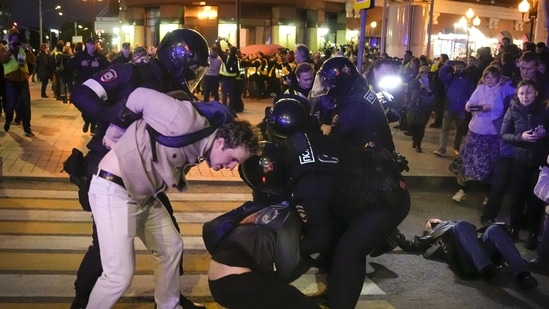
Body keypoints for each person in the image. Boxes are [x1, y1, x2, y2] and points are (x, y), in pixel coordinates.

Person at [68, 28, 211, 309]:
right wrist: (113, 115)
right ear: (176, 57)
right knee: (105, 251)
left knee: (170, 243)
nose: (194, 76)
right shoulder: (131, 73)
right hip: (108, 166)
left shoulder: (177, 88)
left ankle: (170, 299)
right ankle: (83, 300)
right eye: (192, 68)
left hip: (145, 173)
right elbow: (82, 93)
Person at [85, 87, 261, 308]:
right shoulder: (184, 121)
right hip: (113, 190)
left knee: (171, 246)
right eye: (233, 159)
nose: (231, 167)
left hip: (142, 196)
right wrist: (113, 135)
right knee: (119, 275)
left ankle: (169, 306)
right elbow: (139, 95)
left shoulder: (202, 142)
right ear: (220, 142)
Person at [240, 132, 411, 309]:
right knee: (335, 241)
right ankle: (334, 294)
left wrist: (286, 252)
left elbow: (319, 239)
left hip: (387, 200)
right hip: (374, 176)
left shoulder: (307, 189)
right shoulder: (296, 142)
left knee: (348, 253)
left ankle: (340, 305)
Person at [204, 200, 323, 309]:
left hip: (221, 279)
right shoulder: (289, 222)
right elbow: (286, 272)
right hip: (234, 282)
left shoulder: (269, 213)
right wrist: (309, 259)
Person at [391, 219, 538, 290]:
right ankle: (486, 268)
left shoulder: (457, 227)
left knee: (493, 229)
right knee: (461, 225)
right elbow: (413, 245)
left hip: (479, 251)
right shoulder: (439, 233)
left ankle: (522, 274)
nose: (433, 220)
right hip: (468, 262)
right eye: (430, 223)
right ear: (428, 229)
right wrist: (393, 231)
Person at [500, 79, 549, 250]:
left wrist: (544, 133)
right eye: (521, 93)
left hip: (540, 160)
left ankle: (533, 233)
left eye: (528, 92)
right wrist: (521, 137)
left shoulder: (544, 110)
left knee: (535, 198)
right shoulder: (513, 110)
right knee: (517, 195)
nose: (525, 96)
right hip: (520, 159)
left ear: (536, 92)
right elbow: (504, 134)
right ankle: (514, 228)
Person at [312, 56, 396, 152]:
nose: (326, 88)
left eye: (329, 84)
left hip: (374, 162)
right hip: (377, 156)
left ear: (340, 83)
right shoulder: (359, 92)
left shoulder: (353, 107)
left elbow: (335, 140)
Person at [451, 66, 505, 203]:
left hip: (492, 133)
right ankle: (462, 190)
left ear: (498, 77)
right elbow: (468, 105)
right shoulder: (480, 89)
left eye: (493, 77)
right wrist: (480, 107)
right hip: (476, 130)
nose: (490, 80)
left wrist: (492, 109)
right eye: (487, 77)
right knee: (467, 162)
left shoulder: (502, 90)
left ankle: (488, 195)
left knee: (490, 164)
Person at [65, 37, 111, 134]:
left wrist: (98, 65)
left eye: (94, 44)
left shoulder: (100, 57)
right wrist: (80, 64)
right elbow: (68, 65)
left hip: (95, 87)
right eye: (90, 44)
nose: (92, 46)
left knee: (94, 106)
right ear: (86, 45)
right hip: (83, 85)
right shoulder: (80, 56)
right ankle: (87, 122)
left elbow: (109, 66)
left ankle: (93, 126)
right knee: (84, 107)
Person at [433, 60, 475, 157]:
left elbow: (470, 92)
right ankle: (442, 148)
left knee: (459, 129)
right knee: (445, 128)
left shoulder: (468, 79)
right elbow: (441, 77)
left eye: (461, 66)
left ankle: (456, 146)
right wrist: (447, 66)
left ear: (465, 67)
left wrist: (467, 104)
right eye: (457, 66)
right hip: (449, 106)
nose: (459, 68)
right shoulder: (450, 77)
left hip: (461, 108)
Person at [0, 28, 36, 137]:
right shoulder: (4, 48)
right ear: (10, 38)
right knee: (10, 105)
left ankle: (27, 128)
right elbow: (2, 60)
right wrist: (10, 49)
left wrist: (27, 50)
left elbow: (33, 60)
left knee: (26, 104)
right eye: (13, 37)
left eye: (17, 37)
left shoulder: (22, 48)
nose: (15, 39)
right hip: (10, 81)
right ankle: (8, 119)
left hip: (23, 81)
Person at [406, 65, 435, 153]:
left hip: (425, 108)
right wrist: (407, 103)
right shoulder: (414, 82)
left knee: (421, 126)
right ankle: (415, 139)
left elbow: (434, 95)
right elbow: (408, 93)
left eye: (426, 72)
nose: (424, 74)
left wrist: (427, 88)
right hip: (413, 106)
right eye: (422, 72)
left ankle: (418, 144)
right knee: (413, 125)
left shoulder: (432, 83)